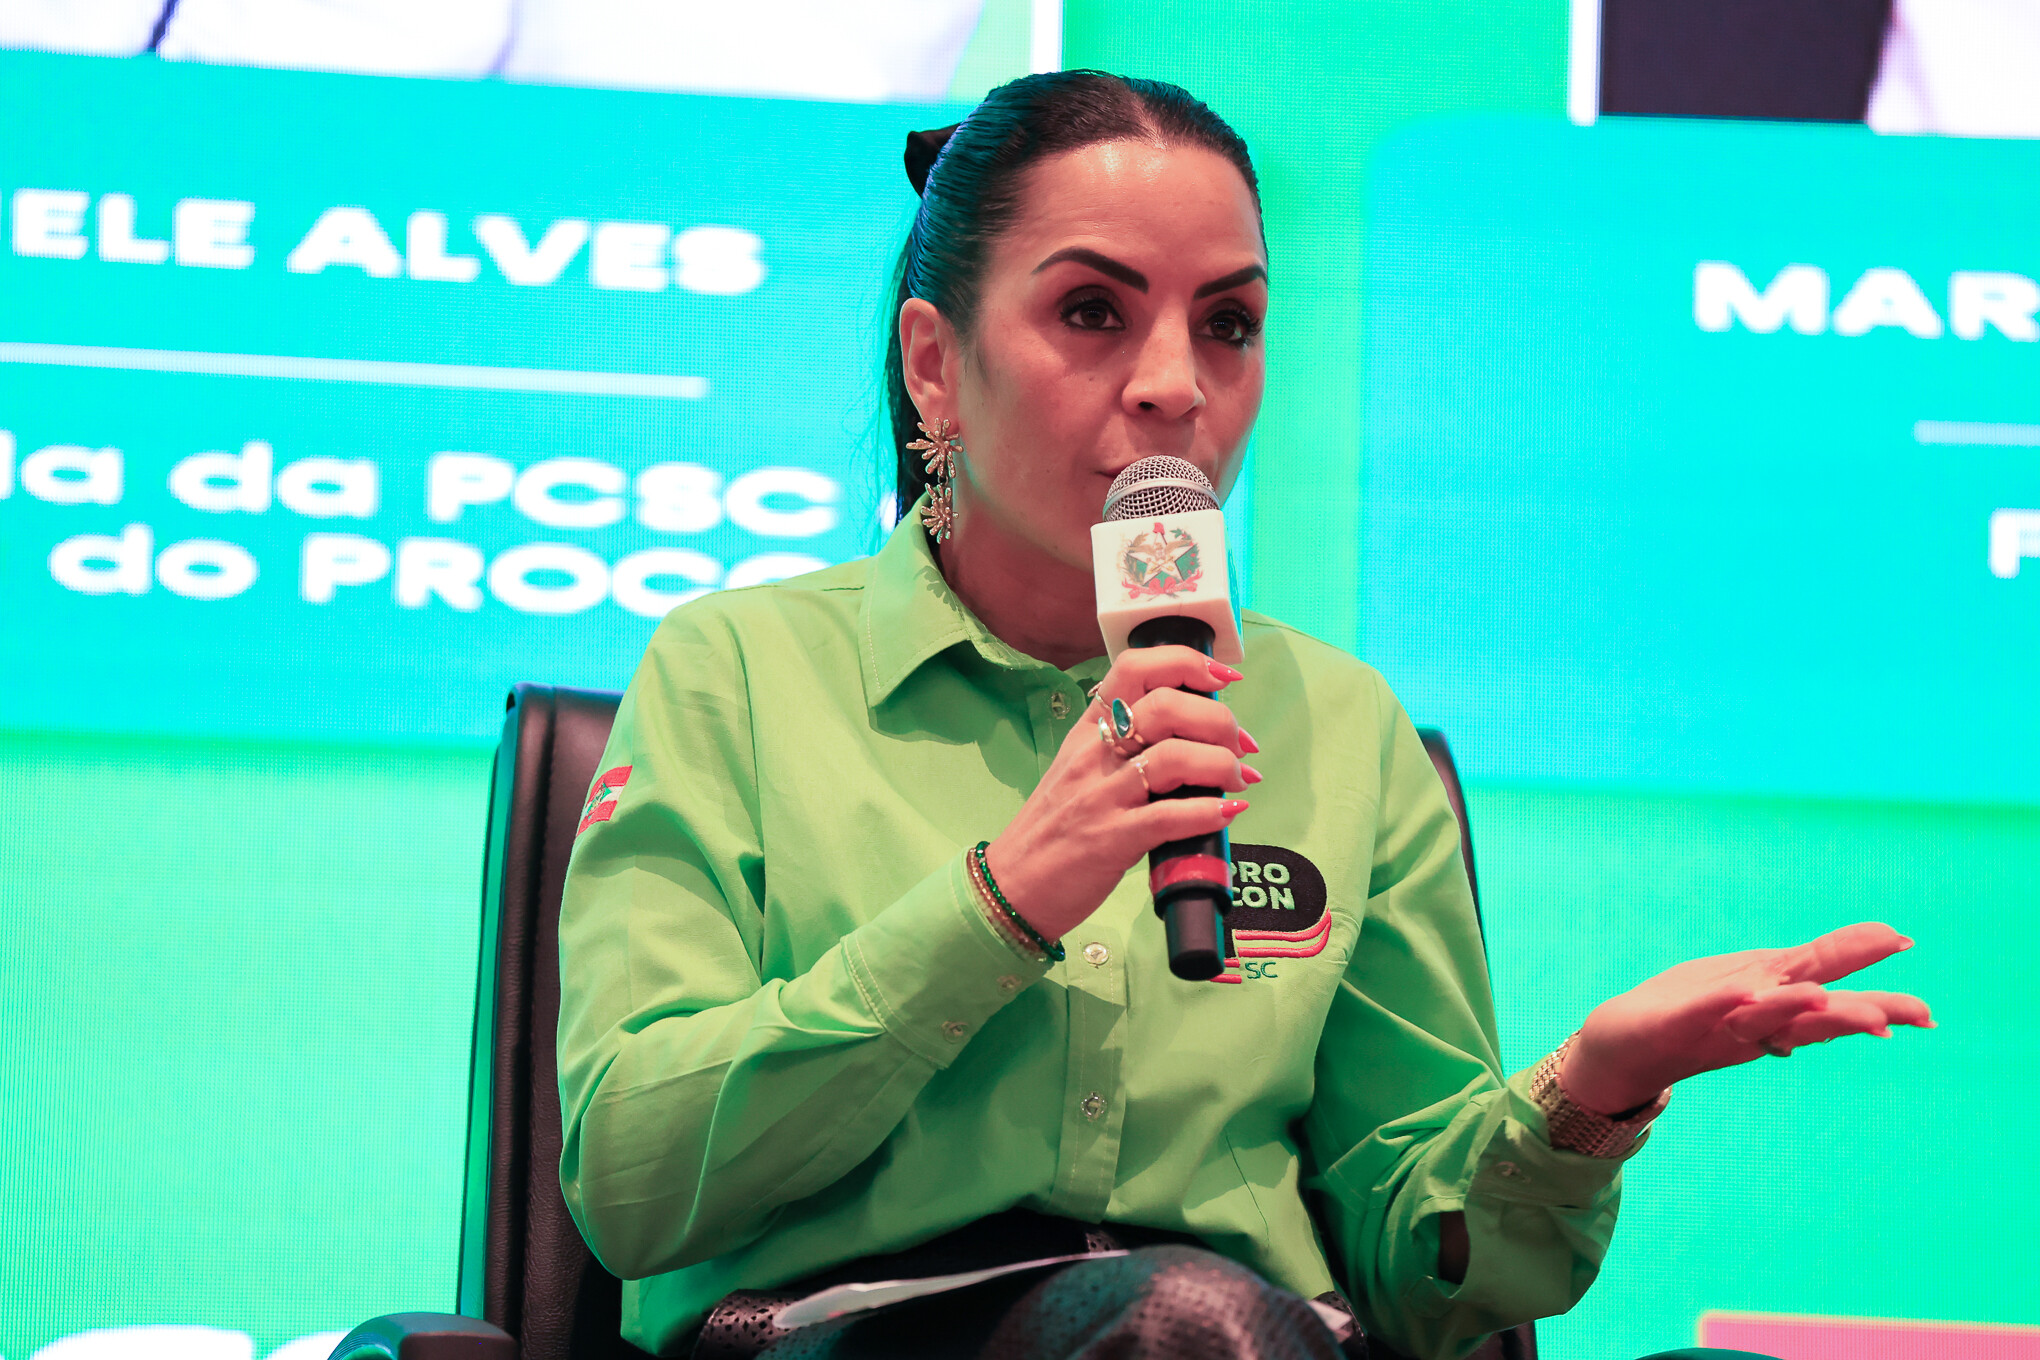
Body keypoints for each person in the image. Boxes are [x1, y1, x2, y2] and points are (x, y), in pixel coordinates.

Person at [555, 70, 1934, 1360]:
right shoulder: (735, 671)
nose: (1176, 382)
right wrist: (1002, 903)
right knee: (1180, 1325)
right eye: (1092, 312)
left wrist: (1585, 1096)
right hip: (864, 1333)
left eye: (1228, 323)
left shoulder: (1335, 721)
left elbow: (1421, 1282)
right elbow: (630, 1183)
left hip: (1258, 1335)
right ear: (934, 365)